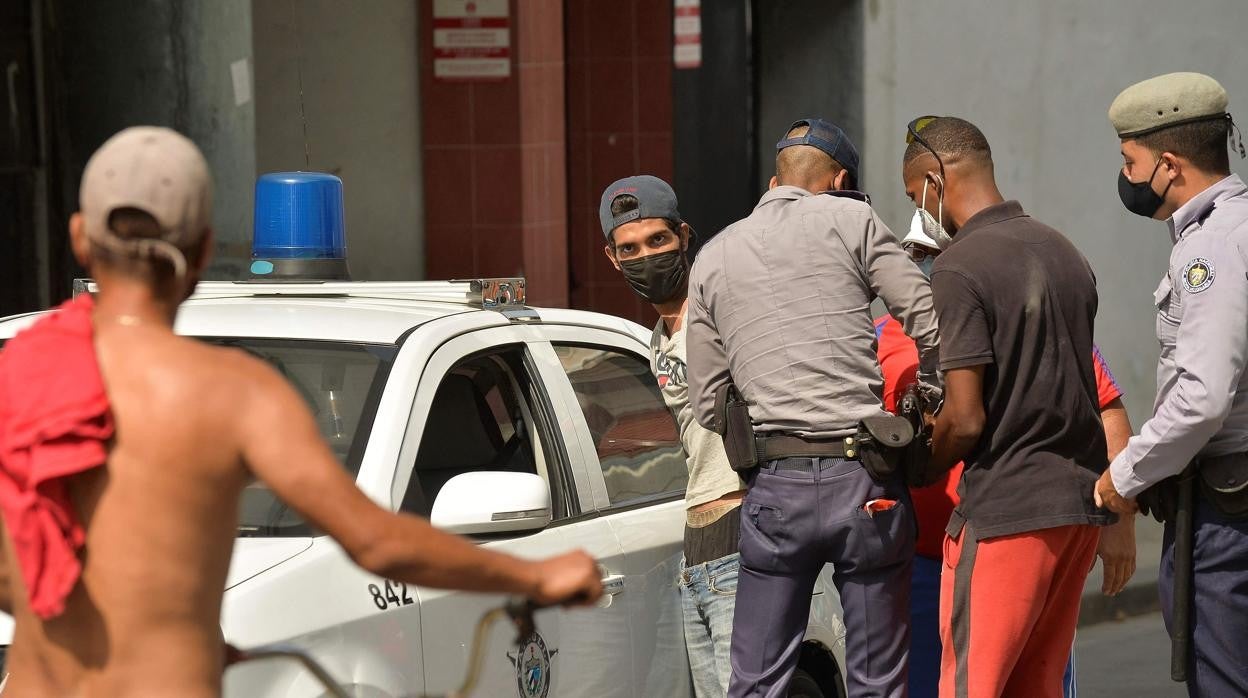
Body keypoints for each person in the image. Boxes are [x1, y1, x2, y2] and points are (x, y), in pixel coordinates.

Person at [0, 127, 602, 697]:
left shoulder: (17, 370)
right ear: (205, 248)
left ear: (80, 237)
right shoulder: (232, 392)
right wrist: (535, 577)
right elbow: (375, 541)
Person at [687, 118, 941, 698]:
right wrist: (925, 398)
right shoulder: (852, 220)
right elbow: (931, 321)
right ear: (841, 180)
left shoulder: (714, 255)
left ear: (776, 178)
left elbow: (708, 404)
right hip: (867, 482)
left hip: (776, 489)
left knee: (756, 683)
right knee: (878, 680)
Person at [881, 204, 1137, 698]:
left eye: (933, 253)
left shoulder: (1021, 320)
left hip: (1012, 541)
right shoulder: (881, 339)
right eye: (913, 253)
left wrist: (1121, 518)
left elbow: (1106, 408)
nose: (923, 265)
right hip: (917, 564)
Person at [1096, 72, 1248, 696]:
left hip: (1227, 509)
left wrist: (1124, 476)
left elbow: (1203, 396)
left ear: (1167, 163)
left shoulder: (1210, 247)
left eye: (1129, 162)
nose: (1126, 177)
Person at [599, 175, 747, 697]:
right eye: (630, 249)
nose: (646, 258)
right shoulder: (660, 338)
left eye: (658, 241)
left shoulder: (722, 312)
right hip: (697, 551)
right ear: (613, 260)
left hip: (743, 536)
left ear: (685, 235)